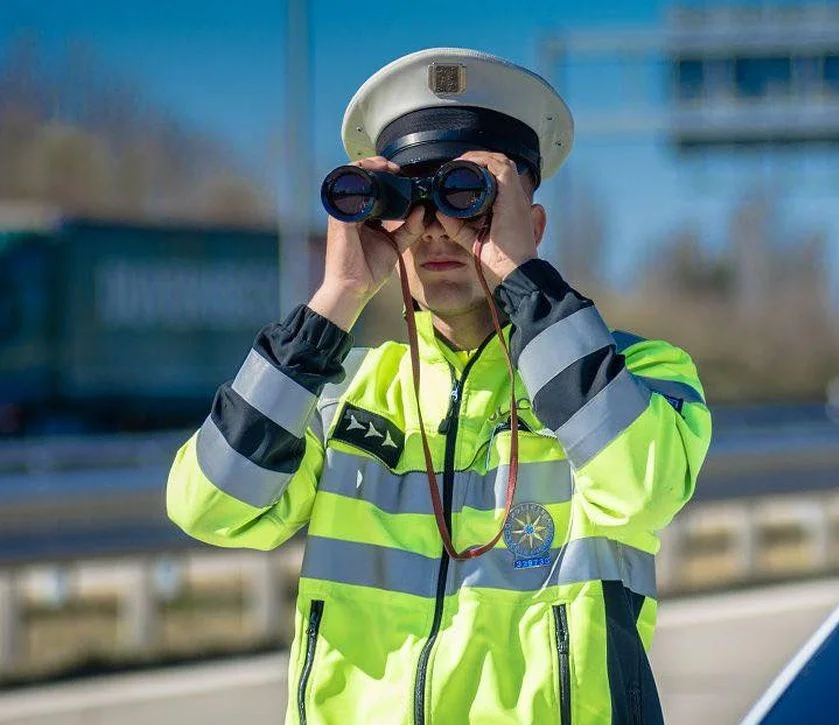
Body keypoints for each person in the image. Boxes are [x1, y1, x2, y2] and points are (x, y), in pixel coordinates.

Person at [166, 47, 711, 725]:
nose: (438, 230)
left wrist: (523, 278)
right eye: (409, 201)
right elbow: (211, 506)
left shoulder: (634, 374)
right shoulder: (339, 396)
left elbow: (643, 488)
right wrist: (335, 299)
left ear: (530, 224)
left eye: (467, 194)